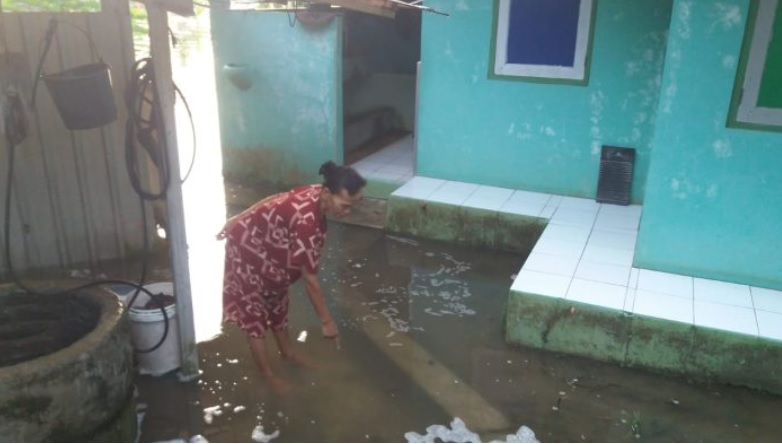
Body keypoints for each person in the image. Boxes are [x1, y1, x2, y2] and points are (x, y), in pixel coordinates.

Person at [217, 161, 366, 392]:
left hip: (272, 254)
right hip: (247, 251)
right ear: (327, 193)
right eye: (344, 205)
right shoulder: (306, 221)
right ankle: (267, 376)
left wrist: (239, 215)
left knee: (278, 303)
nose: (346, 212)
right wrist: (326, 321)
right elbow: (310, 279)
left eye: (352, 206)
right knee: (254, 317)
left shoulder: (317, 191)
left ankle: (288, 355)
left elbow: (276, 197)